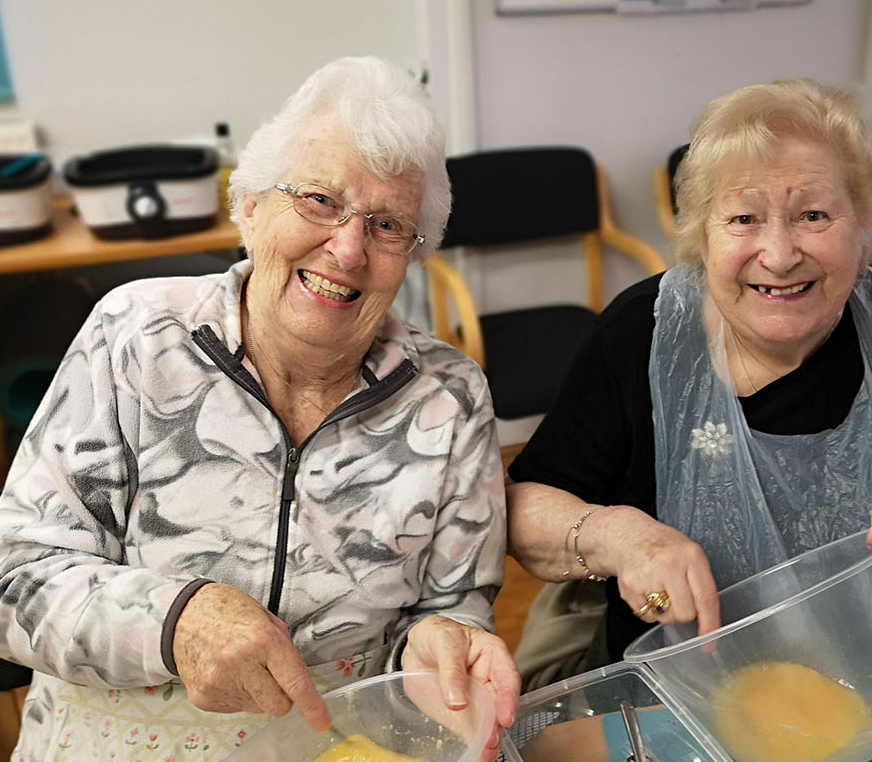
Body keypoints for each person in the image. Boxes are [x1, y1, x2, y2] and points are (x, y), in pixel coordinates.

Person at [0, 57, 519, 761]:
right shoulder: (134, 335)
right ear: (249, 205)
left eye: (388, 224)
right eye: (319, 200)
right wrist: (174, 621)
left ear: (414, 253)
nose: (348, 248)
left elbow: (450, 606)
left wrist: (438, 643)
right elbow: (16, 576)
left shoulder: (450, 399)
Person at [506, 79, 872, 702]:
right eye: (743, 218)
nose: (779, 253)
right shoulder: (642, 333)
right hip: (684, 688)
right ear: (701, 235)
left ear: (861, 227)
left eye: (813, 215)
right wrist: (615, 534)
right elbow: (524, 506)